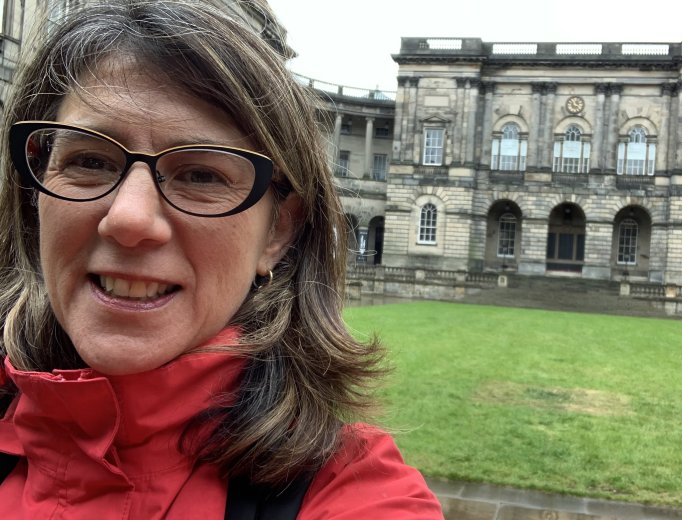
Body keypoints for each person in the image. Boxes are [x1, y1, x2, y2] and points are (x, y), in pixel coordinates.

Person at [0, 1, 444, 518]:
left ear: (277, 230)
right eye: (90, 161)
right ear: (34, 196)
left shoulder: (352, 492)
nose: (129, 218)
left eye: (202, 175)